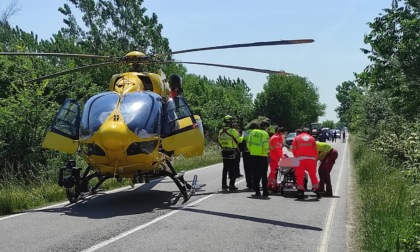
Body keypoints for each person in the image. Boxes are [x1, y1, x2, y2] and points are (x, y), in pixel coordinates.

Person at [292, 128, 320, 199]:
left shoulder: (297, 138)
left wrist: (296, 157)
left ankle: (301, 191)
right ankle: (317, 190)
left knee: (300, 176)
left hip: (300, 159)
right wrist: (315, 160)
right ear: (309, 132)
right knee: (313, 175)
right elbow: (316, 151)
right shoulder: (312, 138)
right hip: (311, 159)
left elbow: (294, 149)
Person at [218, 115, 243, 191]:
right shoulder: (232, 131)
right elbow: (240, 140)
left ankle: (224, 184)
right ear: (230, 122)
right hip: (232, 151)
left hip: (224, 151)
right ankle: (232, 185)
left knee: (225, 168)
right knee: (232, 168)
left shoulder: (221, 131)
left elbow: (219, 140)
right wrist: (243, 136)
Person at [247, 121, 270, 197]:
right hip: (262, 156)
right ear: (266, 127)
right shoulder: (264, 134)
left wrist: (252, 151)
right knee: (263, 175)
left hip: (253, 156)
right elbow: (266, 145)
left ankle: (257, 192)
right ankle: (265, 192)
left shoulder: (252, 133)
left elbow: (248, 143)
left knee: (255, 174)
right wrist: (267, 153)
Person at [267, 126, 287, 192]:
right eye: (284, 133)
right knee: (273, 172)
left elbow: (280, 149)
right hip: (274, 157)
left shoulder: (277, 138)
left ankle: (274, 184)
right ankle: (269, 185)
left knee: (274, 172)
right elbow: (277, 150)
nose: (284, 135)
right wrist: (283, 157)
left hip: (275, 157)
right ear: (281, 132)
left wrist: (283, 155)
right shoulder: (276, 138)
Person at [240, 123, 258, 190]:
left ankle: (248, 184)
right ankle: (254, 183)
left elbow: (241, 141)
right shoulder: (255, 133)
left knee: (247, 169)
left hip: (245, 152)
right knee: (253, 169)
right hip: (253, 152)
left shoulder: (245, 133)